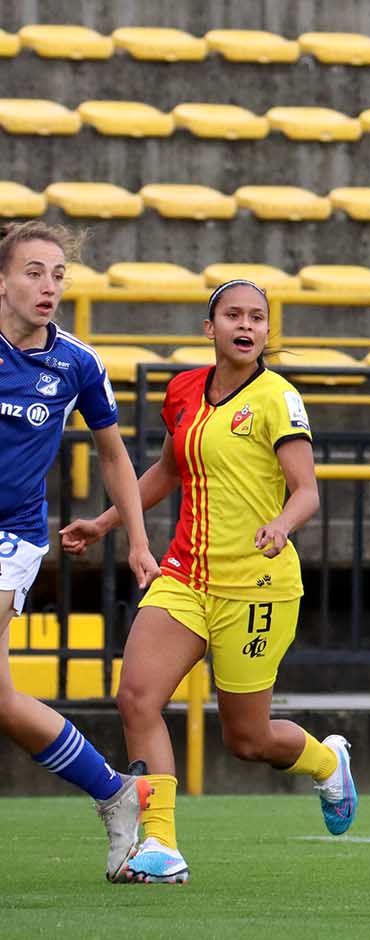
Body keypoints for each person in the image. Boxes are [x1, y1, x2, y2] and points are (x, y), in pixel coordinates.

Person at [63, 279, 355, 884]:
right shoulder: (185, 389)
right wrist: (106, 523)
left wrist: (280, 524)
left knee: (247, 739)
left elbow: (307, 493)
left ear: (266, 332)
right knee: (137, 696)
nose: (245, 325)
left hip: (257, 587)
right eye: (232, 315)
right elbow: (167, 470)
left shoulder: (278, 398)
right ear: (210, 328)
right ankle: (161, 844)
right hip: (186, 574)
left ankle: (328, 761)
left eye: (257, 317)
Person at [0, 221, 160, 881]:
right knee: (4, 700)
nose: (48, 286)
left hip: (11, 535)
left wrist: (137, 539)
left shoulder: (76, 362)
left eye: (58, 273)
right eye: (34, 271)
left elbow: (116, 457)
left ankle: (116, 792)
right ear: (3, 279)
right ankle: (113, 788)